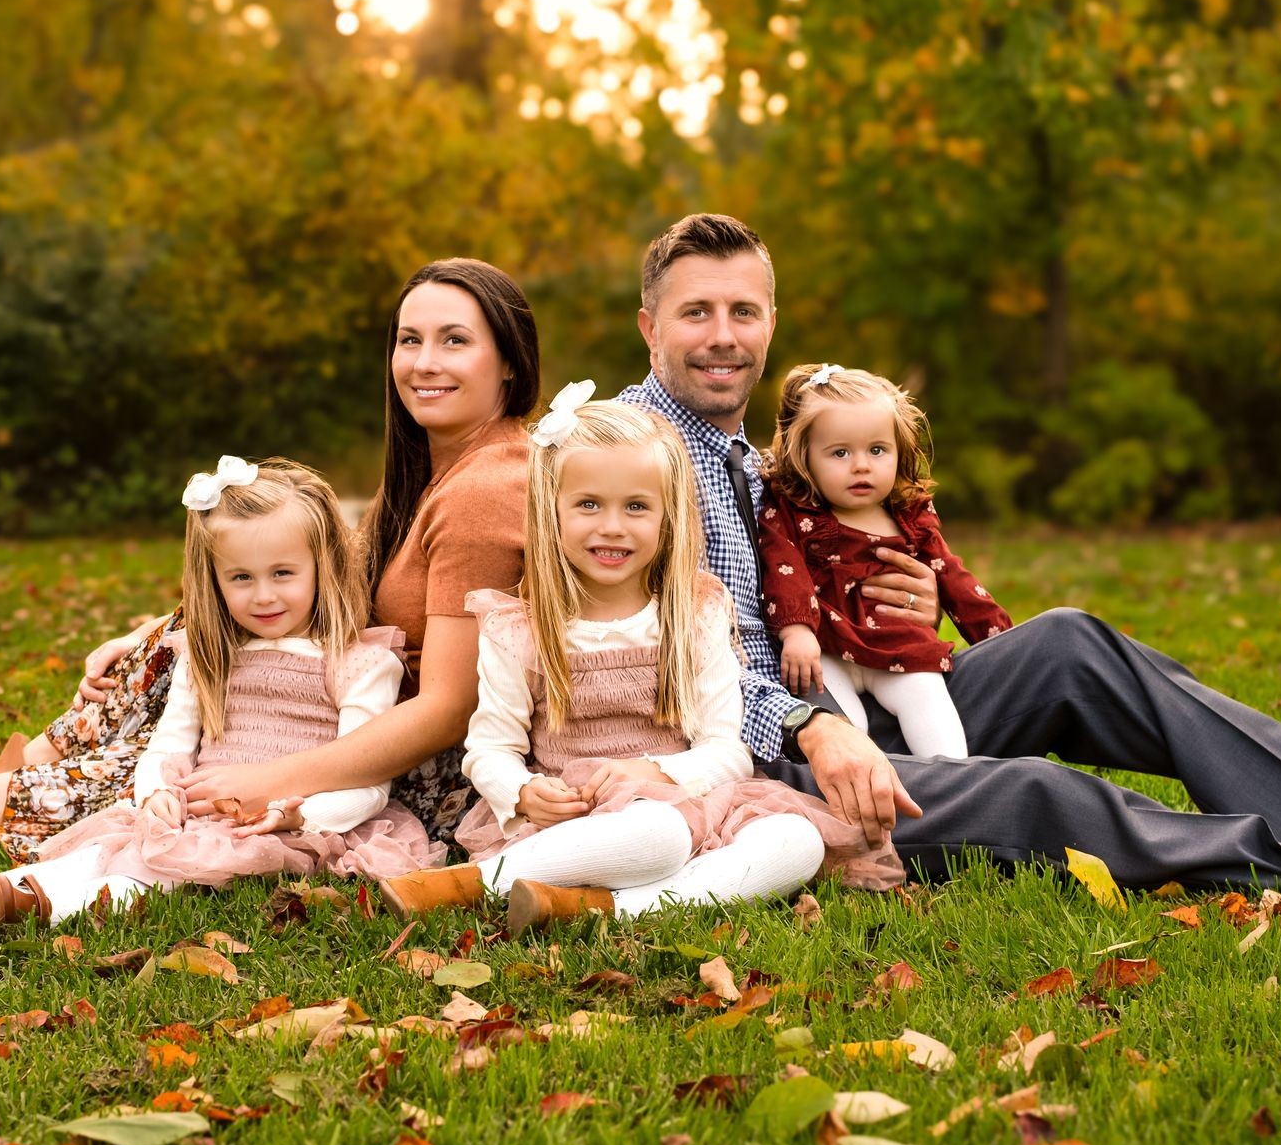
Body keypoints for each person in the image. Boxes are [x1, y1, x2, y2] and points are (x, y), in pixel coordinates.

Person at [617, 212, 1281, 897]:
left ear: (772, 323)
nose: (723, 337)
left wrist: (903, 612)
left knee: (1068, 641)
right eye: (696, 313)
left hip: (856, 704)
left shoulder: (760, 455)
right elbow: (650, 655)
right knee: (1034, 792)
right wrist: (808, 721)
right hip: (751, 764)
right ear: (651, 328)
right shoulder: (625, 454)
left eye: (743, 311)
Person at [0, 258, 541, 867]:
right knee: (180, 654)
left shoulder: (483, 490)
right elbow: (329, 593)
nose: (423, 362)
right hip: (336, 700)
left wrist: (275, 779)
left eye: (455, 340)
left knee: (163, 756)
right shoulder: (439, 468)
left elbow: (446, 709)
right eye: (410, 339)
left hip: (402, 759)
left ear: (508, 363)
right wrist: (146, 634)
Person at [377, 396, 896, 935]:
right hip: (581, 820)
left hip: (693, 801)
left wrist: (657, 773)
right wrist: (522, 792)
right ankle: (478, 881)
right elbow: (492, 747)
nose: (613, 527)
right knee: (657, 835)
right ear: (549, 510)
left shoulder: (694, 615)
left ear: (667, 516)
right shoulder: (520, 630)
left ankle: (609, 909)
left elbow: (727, 749)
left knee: (797, 841)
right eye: (588, 505)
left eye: (636, 507)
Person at [0, 459, 443, 925]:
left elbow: (367, 783)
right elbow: (170, 744)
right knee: (111, 845)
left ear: (322, 567)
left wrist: (293, 814)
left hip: (289, 825)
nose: (263, 596)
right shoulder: (206, 653)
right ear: (214, 580)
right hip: (195, 809)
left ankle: (34, 905)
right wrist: (155, 791)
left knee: (155, 871)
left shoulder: (359, 662)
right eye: (241, 578)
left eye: (283, 573)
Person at [758, 362, 1010, 758]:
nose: (861, 465)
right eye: (840, 452)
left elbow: (955, 580)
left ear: (899, 451)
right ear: (805, 457)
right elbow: (783, 570)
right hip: (824, 645)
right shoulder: (794, 514)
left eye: (877, 450)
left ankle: (952, 780)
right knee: (843, 727)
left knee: (928, 701)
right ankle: (866, 788)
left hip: (896, 644)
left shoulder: (910, 518)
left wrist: (1000, 640)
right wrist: (796, 632)